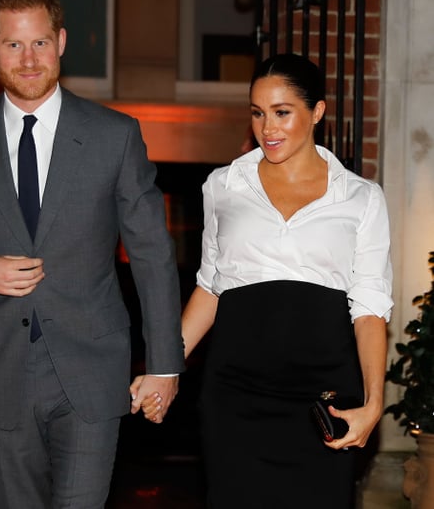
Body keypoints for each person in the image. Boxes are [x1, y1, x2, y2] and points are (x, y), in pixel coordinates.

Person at [0, 0, 184, 509]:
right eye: (13, 44)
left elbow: (152, 254)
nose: (28, 59)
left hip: (93, 371)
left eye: (39, 42)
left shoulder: (114, 136)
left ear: (61, 41)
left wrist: (165, 364)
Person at [135, 53, 393, 508]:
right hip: (236, 393)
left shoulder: (361, 198)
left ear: (317, 112)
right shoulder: (223, 185)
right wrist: (163, 366)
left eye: (282, 112)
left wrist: (374, 402)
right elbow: (211, 286)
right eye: (257, 113)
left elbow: (370, 305)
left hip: (323, 395)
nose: (267, 128)